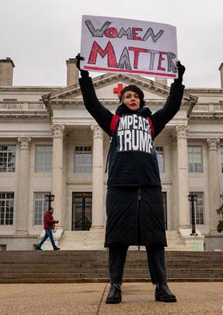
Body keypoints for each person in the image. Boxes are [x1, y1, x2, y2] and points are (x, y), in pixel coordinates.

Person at [76, 53, 185, 304]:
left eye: (136, 96)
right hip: (120, 185)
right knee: (117, 239)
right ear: (121, 101)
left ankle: (161, 286)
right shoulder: (113, 121)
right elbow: (92, 104)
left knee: (156, 239)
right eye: (128, 96)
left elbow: (172, 107)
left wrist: (177, 81)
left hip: (148, 185)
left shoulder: (151, 122)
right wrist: (84, 75)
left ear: (141, 100)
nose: (132, 99)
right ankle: (115, 286)